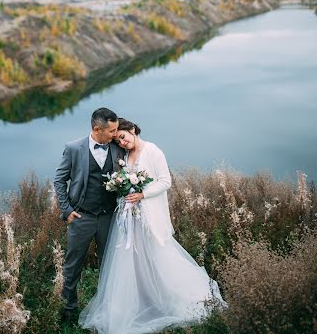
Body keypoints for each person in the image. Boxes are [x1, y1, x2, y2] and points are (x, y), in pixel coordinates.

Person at [79, 118, 227, 334]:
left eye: (123, 137)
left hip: (149, 217)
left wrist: (142, 194)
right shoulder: (124, 156)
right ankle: (139, 300)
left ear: (132, 130)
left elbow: (166, 181)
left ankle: (180, 297)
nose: (121, 142)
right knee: (132, 261)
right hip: (129, 219)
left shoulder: (153, 151)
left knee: (157, 256)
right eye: (118, 141)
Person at [53, 107, 124, 324]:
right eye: (111, 131)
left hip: (108, 218)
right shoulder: (73, 148)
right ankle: (68, 309)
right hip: (81, 217)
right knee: (72, 266)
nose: (115, 134)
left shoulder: (117, 148)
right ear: (96, 129)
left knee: (110, 265)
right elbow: (59, 180)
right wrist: (66, 211)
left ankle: (107, 311)